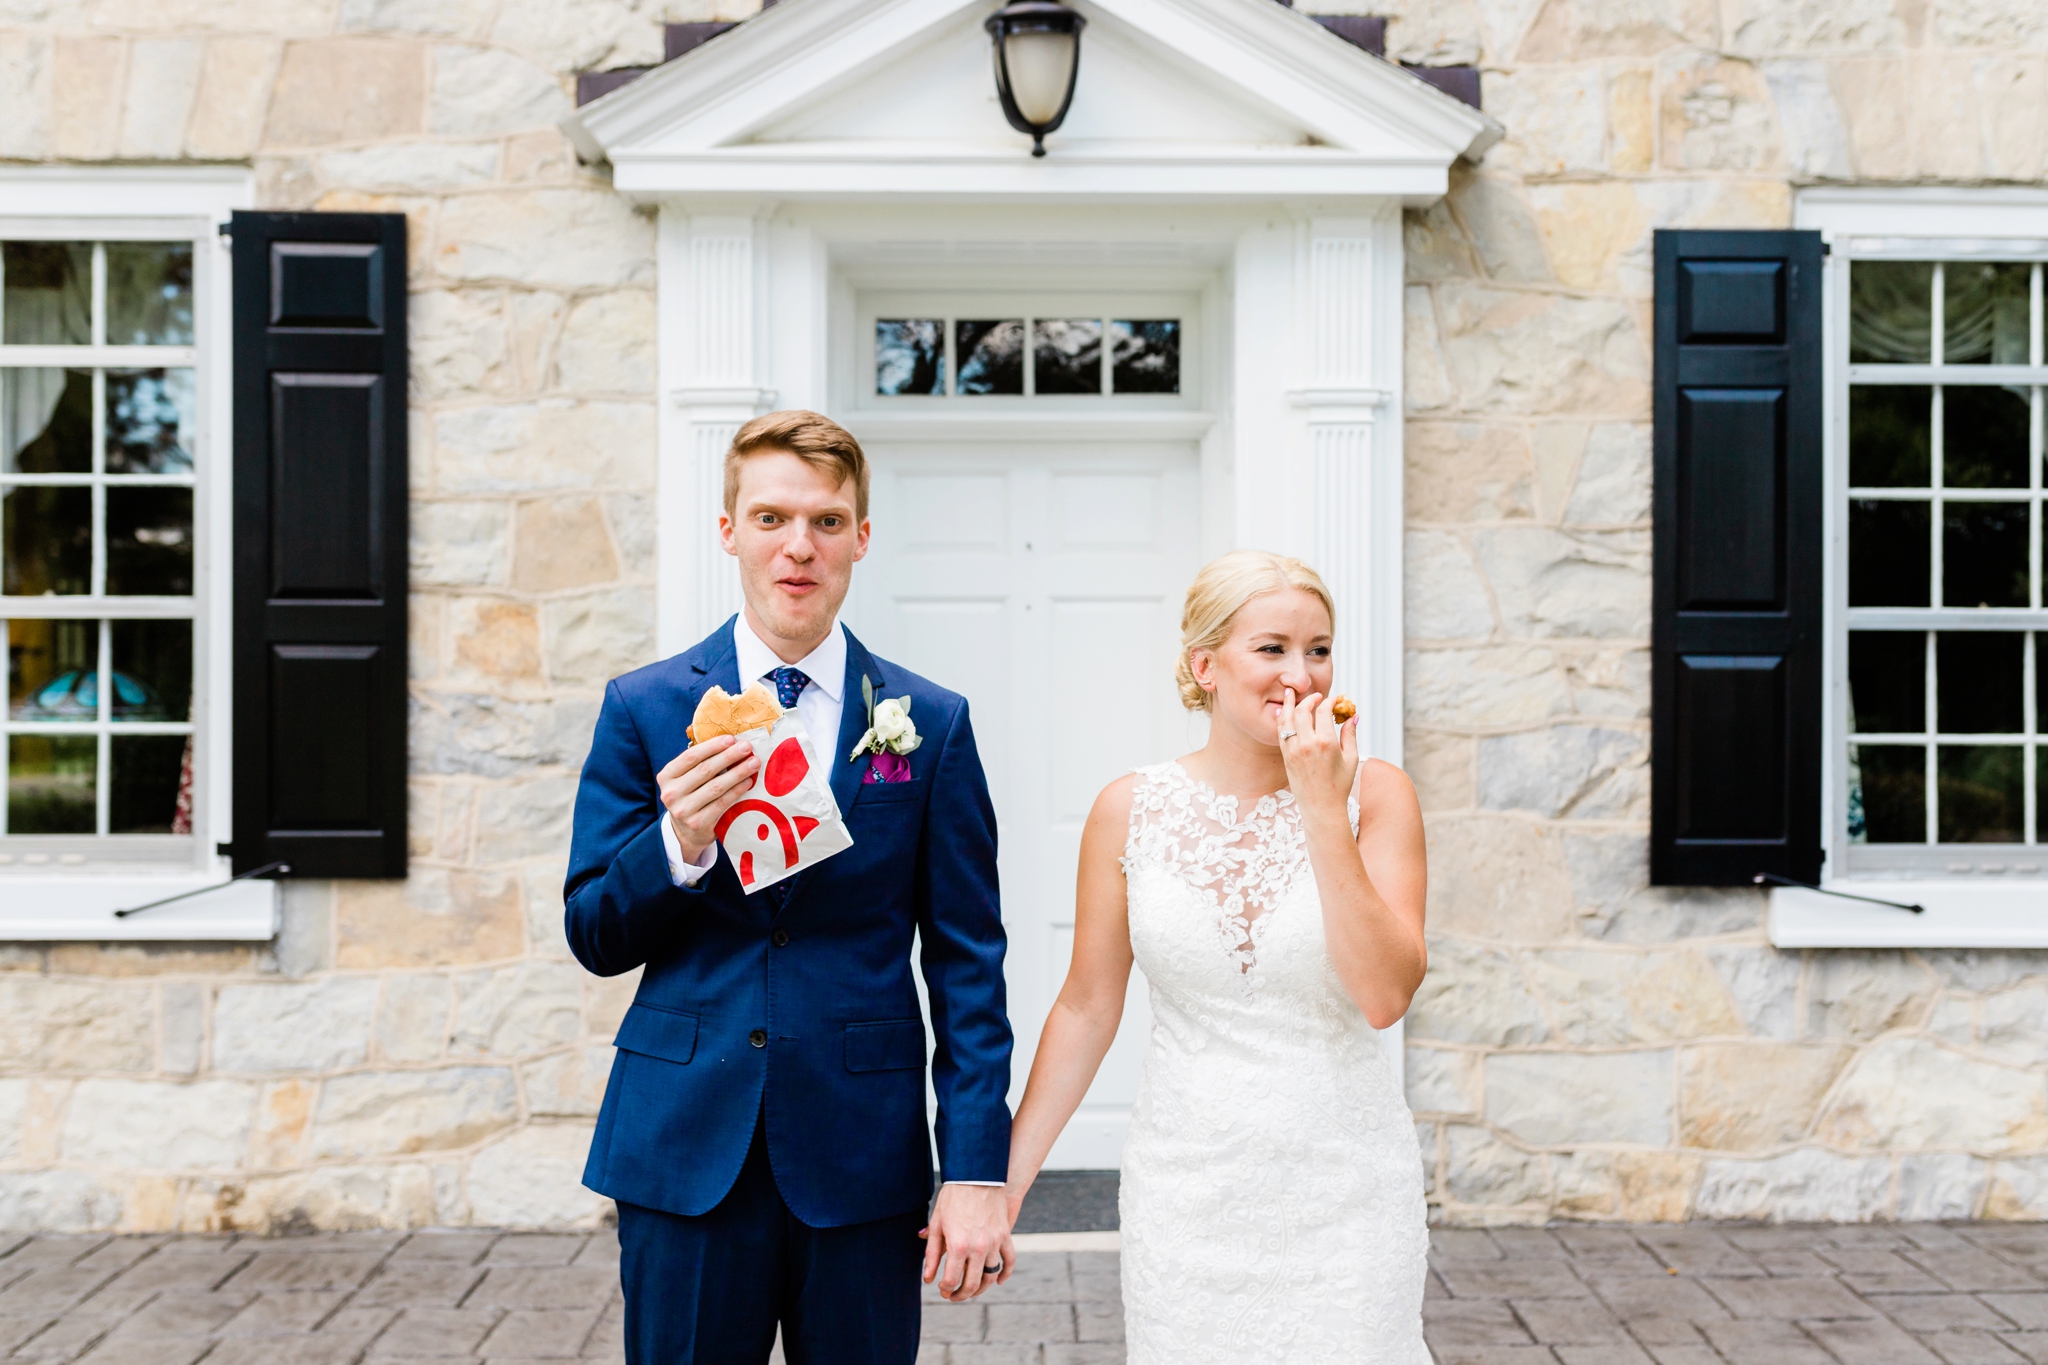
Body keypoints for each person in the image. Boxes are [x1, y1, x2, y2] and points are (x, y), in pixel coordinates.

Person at [563, 410, 1016, 1364]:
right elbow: (594, 934)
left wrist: (977, 1167)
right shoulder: (644, 708)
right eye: (770, 518)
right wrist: (678, 842)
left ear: (860, 536)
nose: (797, 546)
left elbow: (970, 966)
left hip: (861, 1154)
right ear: (729, 530)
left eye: (824, 520)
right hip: (684, 1144)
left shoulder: (927, 723)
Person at [1003, 549, 1431, 1365]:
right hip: (1189, 1188)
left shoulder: (1378, 795)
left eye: (1319, 648)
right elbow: (1088, 1006)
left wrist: (1320, 807)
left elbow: (1383, 996)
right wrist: (1006, 1181)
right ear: (1205, 665)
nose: (1300, 675)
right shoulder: (1128, 810)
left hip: (1346, 1189)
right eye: (1271, 648)